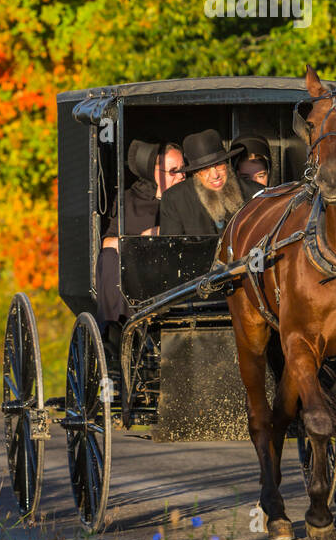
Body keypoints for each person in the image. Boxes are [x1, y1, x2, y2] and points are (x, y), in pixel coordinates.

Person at [95, 139, 185, 365]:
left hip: (179, 277)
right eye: (174, 172)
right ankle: (115, 329)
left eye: (184, 171)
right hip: (137, 278)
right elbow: (107, 243)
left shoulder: (190, 199)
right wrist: (141, 240)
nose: (181, 177)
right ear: (154, 172)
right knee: (109, 258)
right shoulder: (128, 201)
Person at [159, 129, 260, 236]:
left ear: (227, 164)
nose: (215, 175)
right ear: (195, 173)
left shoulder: (256, 194)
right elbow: (172, 248)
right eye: (205, 169)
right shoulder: (175, 200)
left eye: (219, 165)